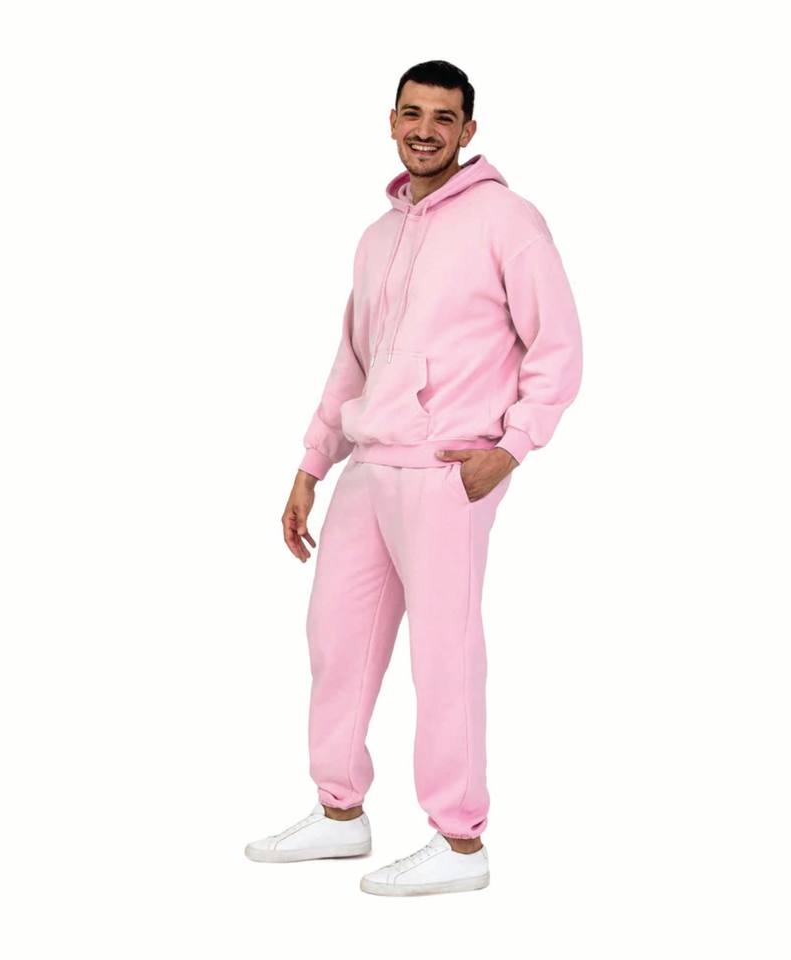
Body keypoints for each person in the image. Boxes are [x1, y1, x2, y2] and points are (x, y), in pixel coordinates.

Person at [245, 60, 583, 896]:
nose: (425, 129)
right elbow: (352, 362)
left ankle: (460, 844)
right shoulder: (377, 237)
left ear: (469, 130)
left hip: (446, 469)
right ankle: (339, 813)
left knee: (444, 653)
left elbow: (559, 346)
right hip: (368, 466)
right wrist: (312, 463)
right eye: (411, 113)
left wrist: (511, 446)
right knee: (336, 639)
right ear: (391, 120)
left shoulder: (508, 219)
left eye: (443, 116)